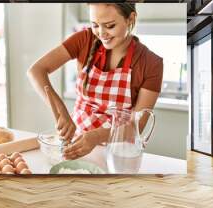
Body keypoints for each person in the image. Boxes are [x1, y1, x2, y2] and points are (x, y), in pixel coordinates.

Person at [27, 3, 163, 160]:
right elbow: (36, 71)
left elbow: (136, 127)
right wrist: (61, 112)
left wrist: (96, 136)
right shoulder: (84, 39)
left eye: (110, 26)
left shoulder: (152, 63)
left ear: (130, 18)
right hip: (74, 146)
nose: (101, 33)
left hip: (117, 153)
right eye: (95, 25)